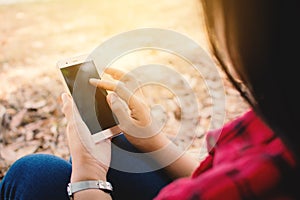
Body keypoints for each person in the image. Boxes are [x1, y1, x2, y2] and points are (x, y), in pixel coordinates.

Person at [1, 0, 299, 199]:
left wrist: (88, 176)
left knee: (33, 173)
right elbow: (224, 172)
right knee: (125, 147)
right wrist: (152, 139)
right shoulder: (281, 125)